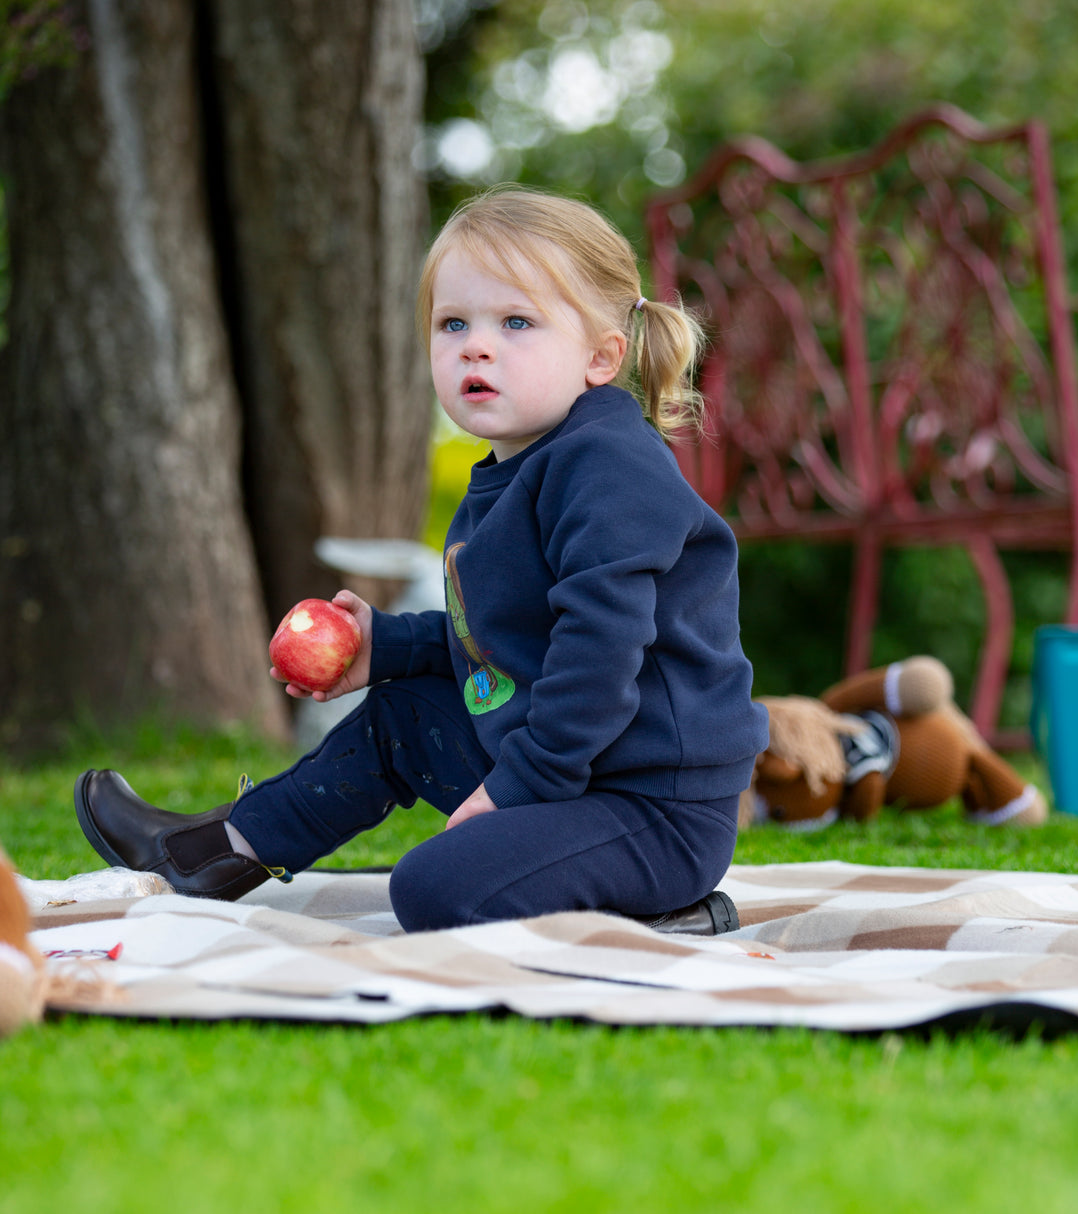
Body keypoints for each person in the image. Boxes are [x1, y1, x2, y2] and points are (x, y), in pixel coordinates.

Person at [74, 187, 769, 935]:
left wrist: (516, 791)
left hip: (652, 810)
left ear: (602, 356)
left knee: (435, 891)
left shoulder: (608, 466)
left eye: (516, 322)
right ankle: (214, 853)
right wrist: (389, 647)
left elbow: (598, 657)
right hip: (580, 778)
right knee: (403, 714)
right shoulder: (513, 472)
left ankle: (673, 914)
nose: (477, 344)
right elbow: (505, 642)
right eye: (454, 323)